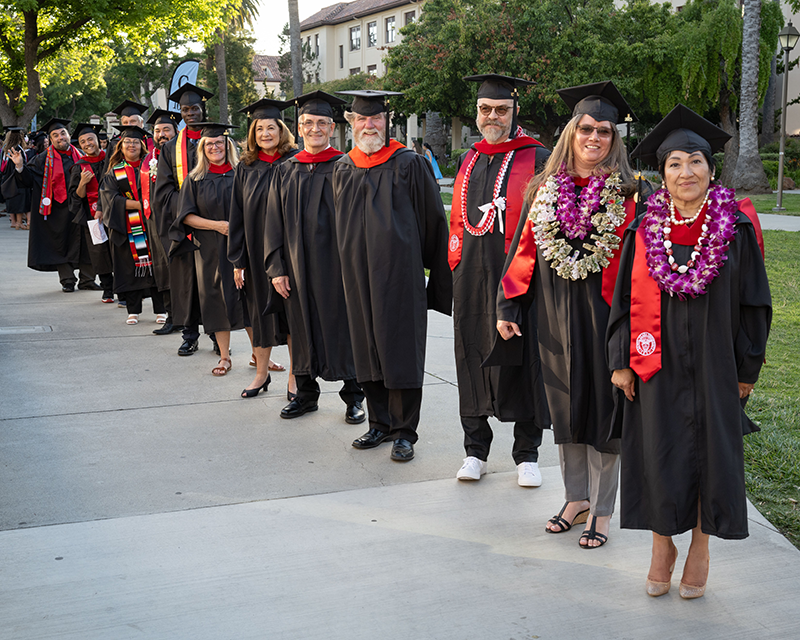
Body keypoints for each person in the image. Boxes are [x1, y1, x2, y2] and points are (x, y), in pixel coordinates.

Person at [606, 104, 772, 598]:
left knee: (711, 456)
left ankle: (699, 546)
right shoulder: (642, 230)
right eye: (674, 163)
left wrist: (747, 367)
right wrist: (621, 362)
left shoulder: (735, 228)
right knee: (659, 452)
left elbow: (754, 303)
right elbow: (620, 302)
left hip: (717, 363)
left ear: (711, 169)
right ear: (662, 173)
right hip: (655, 362)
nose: (685, 172)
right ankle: (663, 545)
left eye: (695, 161)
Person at [497, 82, 639, 547]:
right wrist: (509, 303)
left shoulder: (631, 192)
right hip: (554, 315)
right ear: (570, 133)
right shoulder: (543, 187)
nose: (594, 137)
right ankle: (575, 497)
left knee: (605, 410)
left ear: (614, 138)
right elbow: (523, 248)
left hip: (608, 317)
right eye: (585, 129)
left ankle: (601, 509)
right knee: (565, 406)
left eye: (604, 130)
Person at [333, 89, 452, 462]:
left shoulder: (409, 164)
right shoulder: (343, 167)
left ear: (388, 120)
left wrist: (434, 282)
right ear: (352, 123)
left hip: (400, 276)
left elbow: (435, 224)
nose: (369, 125)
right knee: (366, 348)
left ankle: (404, 432)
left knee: (399, 350)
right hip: (356, 277)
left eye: (376, 118)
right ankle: (379, 423)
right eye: (362, 119)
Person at [450, 74, 551, 487]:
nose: (493, 117)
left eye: (502, 110)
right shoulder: (468, 157)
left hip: (520, 277)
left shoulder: (538, 156)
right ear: (477, 112)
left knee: (523, 361)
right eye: (485, 109)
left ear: (515, 111)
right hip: (471, 276)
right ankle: (475, 450)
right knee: (470, 355)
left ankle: (526, 454)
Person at [265, 90, 365, 420]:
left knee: (344, 329)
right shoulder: (286, 169)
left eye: (322, 122)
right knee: (301, 327)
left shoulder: (346, 167)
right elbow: (273, 222)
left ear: (333, 128)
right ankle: (305, 394)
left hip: (337, 269)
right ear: (300, 126)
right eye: (309, 122)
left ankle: (354, 396)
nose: (315, 128)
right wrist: (277, 267)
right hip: (295, 267)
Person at [228, 98, 294, 398]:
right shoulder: (246, 167)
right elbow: (237, 214)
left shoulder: (294, 163)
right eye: (259, 129)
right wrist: (238, 260)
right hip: (255, 255)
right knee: (258, 314)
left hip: (290, 254)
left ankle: (296, 378)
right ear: (252, 134)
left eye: (271, 127)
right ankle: (261, 374)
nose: (265, 133)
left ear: (282, 130)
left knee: (292, 316)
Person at [172, 122, 245, 376]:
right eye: (209, 144)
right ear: (202, 149)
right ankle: (225, 357)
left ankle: (261, 355)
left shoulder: (242, 173)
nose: (215, 147)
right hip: (210, 250)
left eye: (219, 142)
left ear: (228, 144)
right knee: (216, 300)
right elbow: (186, 217)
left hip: (242, 247)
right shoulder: (195, 179)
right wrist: (218, 226)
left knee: (249, 299)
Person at [153, 83, 216, 356]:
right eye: (185, 109)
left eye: (195, 108)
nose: (190, 113)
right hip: (183, 227)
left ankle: (217, 334)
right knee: (187, 281)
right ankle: (189, 334)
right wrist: (189, 211)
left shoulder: (217, 142)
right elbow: (163, 191)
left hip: (213, 226)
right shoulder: (169, 150)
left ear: (203, 110)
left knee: (213, 283)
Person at [7, 118, 97, 292]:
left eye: (63, 133)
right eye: (55, 135)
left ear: (69, 135)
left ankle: (88, 279)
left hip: (82, 207)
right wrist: (19, 167)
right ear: (50, 139)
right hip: (57, 210)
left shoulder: (82, 155)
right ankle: (67, 280)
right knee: (60, 243)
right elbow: (28, 181)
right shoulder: (42, 159)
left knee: (87, 243)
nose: (60, 137)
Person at [99, 125, 166, 324]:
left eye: (136, 141)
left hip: (152, 225)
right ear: (121, 146)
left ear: (142, 145)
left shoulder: (152, 166)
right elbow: (110, 198)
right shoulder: (115, 171)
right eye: (127, 142)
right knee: (130, 269)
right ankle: (133, 310)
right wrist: (140, 205)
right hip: (127, 227)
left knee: (155, 267)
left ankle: (161, 310)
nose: (132, 145)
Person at [143, 109, 180, 335]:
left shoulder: (184, 155)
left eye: (166, 129)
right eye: (157, 130)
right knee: (163, 270)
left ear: (176, 131)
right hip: (155, 222)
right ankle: (172, 316)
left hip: (178, 220)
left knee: (184, 272)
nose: (161, 134)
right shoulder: (148, 159)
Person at [68, 123, 115, 303]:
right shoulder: (79, 166)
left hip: (114, 212)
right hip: (93, 216)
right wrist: (82, 183)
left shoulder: (110, 160)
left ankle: (125, 290)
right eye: (83, 141)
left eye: (90, 139)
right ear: (79, 145)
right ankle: (107, 288)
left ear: (98, 141)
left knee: (119, 249)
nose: (88, 143)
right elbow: (75, 197)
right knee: (99, 251)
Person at [1, 127, 32, 230]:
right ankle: (24, 222)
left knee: (15, 200)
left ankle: (16, 222)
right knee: (23, 201)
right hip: (18, 178)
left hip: (8, 178)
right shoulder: (17, 149)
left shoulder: (6, 148)